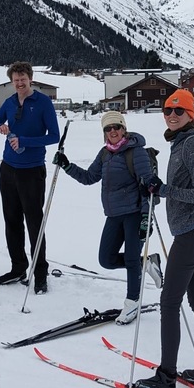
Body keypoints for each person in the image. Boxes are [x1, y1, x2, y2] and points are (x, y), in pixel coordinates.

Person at [134, 89, 194, 388]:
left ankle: (165, 380)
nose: (171, 115)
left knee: (169, 304)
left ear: (190, 114)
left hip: (191, 235)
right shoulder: (180, 142)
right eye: (168, 110)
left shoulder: (192, 144)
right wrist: (159, 187)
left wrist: (165, 189)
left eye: (178, 111)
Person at [52, 110, 163, 324]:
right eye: (108, 128)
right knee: (106, 259)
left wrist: (145, 218)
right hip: (113, 215)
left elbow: (148, 186)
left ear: (124, 129)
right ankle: (147, 263)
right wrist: (67, 165)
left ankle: (132, 302)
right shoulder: (105, 154)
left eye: (116, 127)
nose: (113, 131)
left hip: (134, 214)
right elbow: (89, 177)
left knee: (131, 259)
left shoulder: (136, 152)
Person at [0, 61, 60, 294]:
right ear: (11, 81)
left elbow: (54, 136)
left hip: (32, 170)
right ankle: (18, 268)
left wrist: (25, 141)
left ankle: (40, 274)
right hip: (8, 169)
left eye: (23, 79)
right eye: (16, 80)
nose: (19, 83)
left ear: (30, 79)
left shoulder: (43, 102)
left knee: (35, 223)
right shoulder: (9, 103)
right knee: (12, 221)